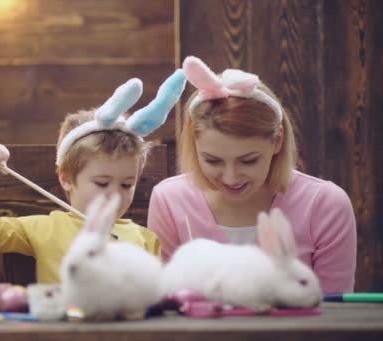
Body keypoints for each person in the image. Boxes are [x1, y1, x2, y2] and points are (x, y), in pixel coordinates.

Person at [147, 56, 356, 293]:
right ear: (194, 147)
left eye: (248, 160)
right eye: (213, 161)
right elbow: (165, 304)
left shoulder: (326, 205)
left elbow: (333, 317)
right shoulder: (169, 200)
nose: (231, 178)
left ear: (277, 141)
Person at [0, 70, 187, 283]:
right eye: (102, 183)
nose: (115, 195)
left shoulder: (145, 240)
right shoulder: (46, 228)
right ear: (66, 179)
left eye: (127, 184)